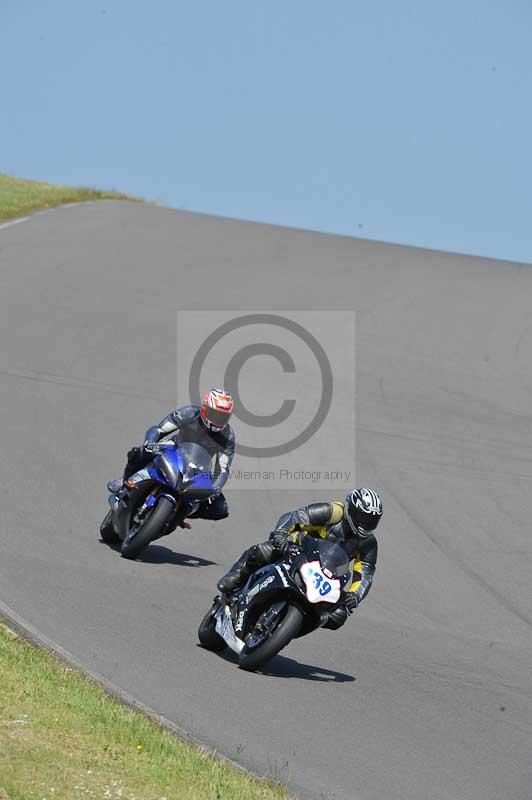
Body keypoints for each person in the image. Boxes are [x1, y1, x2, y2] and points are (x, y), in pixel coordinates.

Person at [217, 487, 382, 629]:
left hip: (328, 575)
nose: (366, 524)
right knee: (264, 551)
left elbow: (365, 575)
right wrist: (281, 534)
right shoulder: (333, 512)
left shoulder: (368, 543)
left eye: (372, 520)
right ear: (351, 510)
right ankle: (237, 577)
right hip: (298, 551)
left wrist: (355, 596)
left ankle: (294, 626)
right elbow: (296, 516)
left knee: (339, 616)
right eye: (364, 518)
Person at [107, 388, 235, 522]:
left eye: (222, 416)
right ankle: (124, 482)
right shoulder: (189, 413)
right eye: (214, 413)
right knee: (139, 452)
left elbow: (223, 468)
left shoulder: (228, 436)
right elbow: (159, 429)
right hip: (174, 447)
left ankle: (180, 515)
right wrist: (149, 443)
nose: (217, 419)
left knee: (220, 508)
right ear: (204, 407)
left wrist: (216, 488)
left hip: (200, 467)